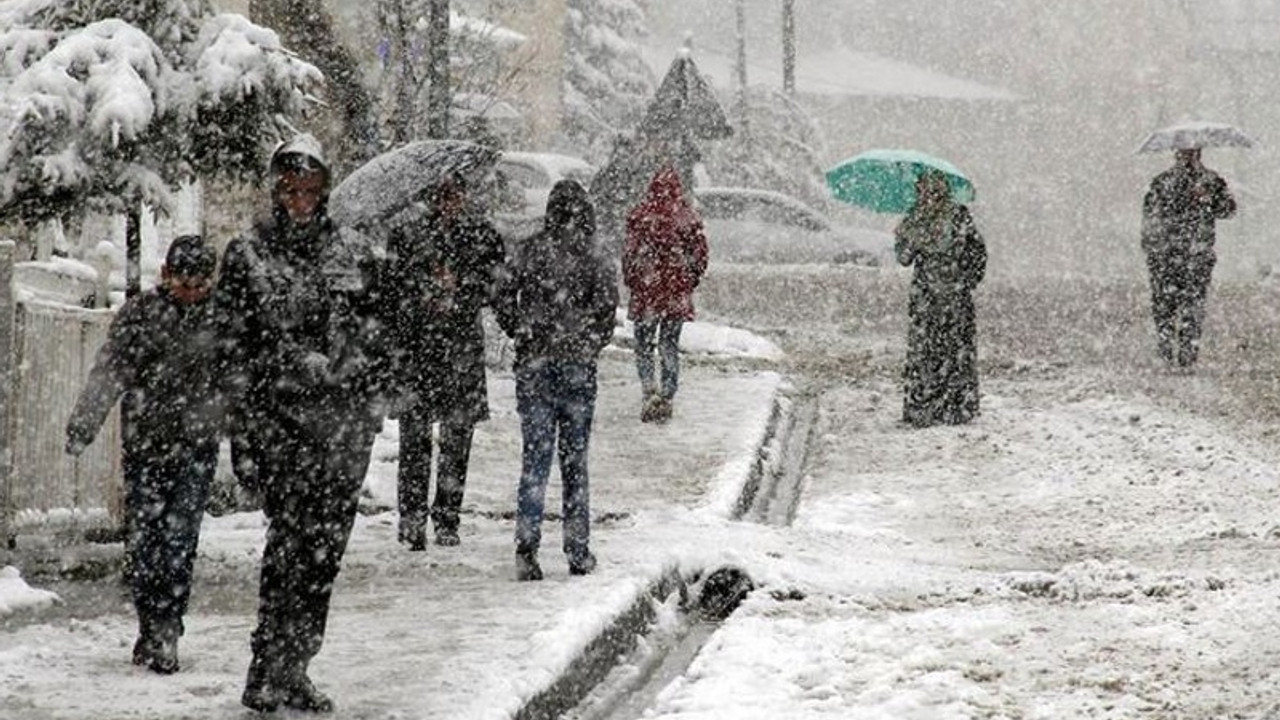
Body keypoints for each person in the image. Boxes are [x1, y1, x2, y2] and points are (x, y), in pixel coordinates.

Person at [216, 133, 386, 713]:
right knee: (288, 548)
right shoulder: (248, 255)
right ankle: (265, 666)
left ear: (325, 190)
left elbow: (375, 333)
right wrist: (244, 432)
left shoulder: (352, 252)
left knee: (324, 556)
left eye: (310, 189)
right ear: (274, 189)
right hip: (281, 426)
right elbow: (233, 349)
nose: (299, 200)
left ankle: (297, 666)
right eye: (289, 189)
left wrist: (360, 385)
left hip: (341, 431)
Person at [64, 234, 222, 675]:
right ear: (167, 275)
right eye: (184, 281)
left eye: (200, 283)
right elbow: (110, 371)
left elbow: (239, 383)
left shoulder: (222, 318)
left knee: (180, 541)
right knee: (146, 542)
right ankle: (151, 622)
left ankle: (168, 625)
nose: (191, 291)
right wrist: (85, 422)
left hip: (196, 444)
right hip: (148, 444)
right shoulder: (141, 315)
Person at [494, 179, 618, 581]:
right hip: (577, 369)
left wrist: (520, 329)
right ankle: (577, 548)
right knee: (575, 462)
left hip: (534, 367)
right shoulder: (594, 256)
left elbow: (501, 294)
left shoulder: (529, 250)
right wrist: (588, 342)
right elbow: (606, 310)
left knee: (535, 459)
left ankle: (527, 546)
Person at [382, 172, 506, 550]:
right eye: (442, 195)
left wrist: (461, 288)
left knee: (457, 438)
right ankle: (413, 518)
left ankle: (447, 517)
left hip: (459, 348)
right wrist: (423, 292)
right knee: (415, 439)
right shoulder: (405, 234)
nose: (449, 202)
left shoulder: (481, 235)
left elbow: (494, 282)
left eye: (455, 194)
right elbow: (391, 290)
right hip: (418, 348)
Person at [894, 169, 987, 428]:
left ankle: (956, 407)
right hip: (926, 297)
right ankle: (924, 408)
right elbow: (903, 259)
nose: (930, 194)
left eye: (935, 189)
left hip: (955, 296)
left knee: (955, 350)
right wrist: (904, 238)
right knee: (926, 351)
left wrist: (965, 279)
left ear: (943, 190)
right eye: (924, 188)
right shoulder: (914, 218)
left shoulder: (958, 215)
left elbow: (976, 251)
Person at [621, 164, 708, 424]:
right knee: (669, 344)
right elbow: (700, 256)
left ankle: (649, 388)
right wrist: (688, 281)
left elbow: (629, 254)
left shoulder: (640, 216)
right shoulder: (687, 217)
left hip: (647, 293)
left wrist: (635, 282)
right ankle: (668, 393)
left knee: (644, 345)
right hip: (674, 293)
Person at [1140, 147, 1237, 368]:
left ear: (1198, 154)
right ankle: (1167, 352)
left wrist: (1208, 198)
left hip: (1196, 254)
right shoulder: (1162, 182)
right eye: (1183, 153)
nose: (1186, 157)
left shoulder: (1211, 181)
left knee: (1191, 306)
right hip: (1167, 254)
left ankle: (1186, 355)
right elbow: (1149, 215)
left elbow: (1229, 210)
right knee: (1165, 306)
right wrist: (1150, 247)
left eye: (1191, 153)